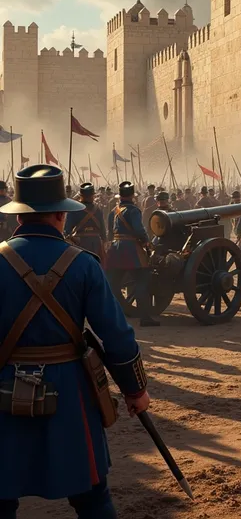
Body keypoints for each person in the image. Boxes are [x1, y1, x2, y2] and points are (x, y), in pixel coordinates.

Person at [0, 165, 149, 518]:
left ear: (20, 215)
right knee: (92, 498)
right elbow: (116, 337)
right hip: (69, 391)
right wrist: (135, 390)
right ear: (59, 214)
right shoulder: (83, 265)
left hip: (4, 386)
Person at [106, 181, 159, 327]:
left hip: (116, 249)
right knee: (142, 282)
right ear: (132, 197)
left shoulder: (114, 211)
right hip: (131, 250)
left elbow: (109, 231)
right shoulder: (134, 211)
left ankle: (113, 315)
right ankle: (145, 318)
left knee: (112, 284)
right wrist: (146, 242)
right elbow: (139, 230)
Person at [65, 183, 107, 265]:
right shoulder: (98, 210)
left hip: (80, 243)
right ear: (92, 195)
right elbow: (103, 232)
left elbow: (67, 230)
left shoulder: (74, 209)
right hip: (96, 242)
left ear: (81, 196)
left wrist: (72, 239)